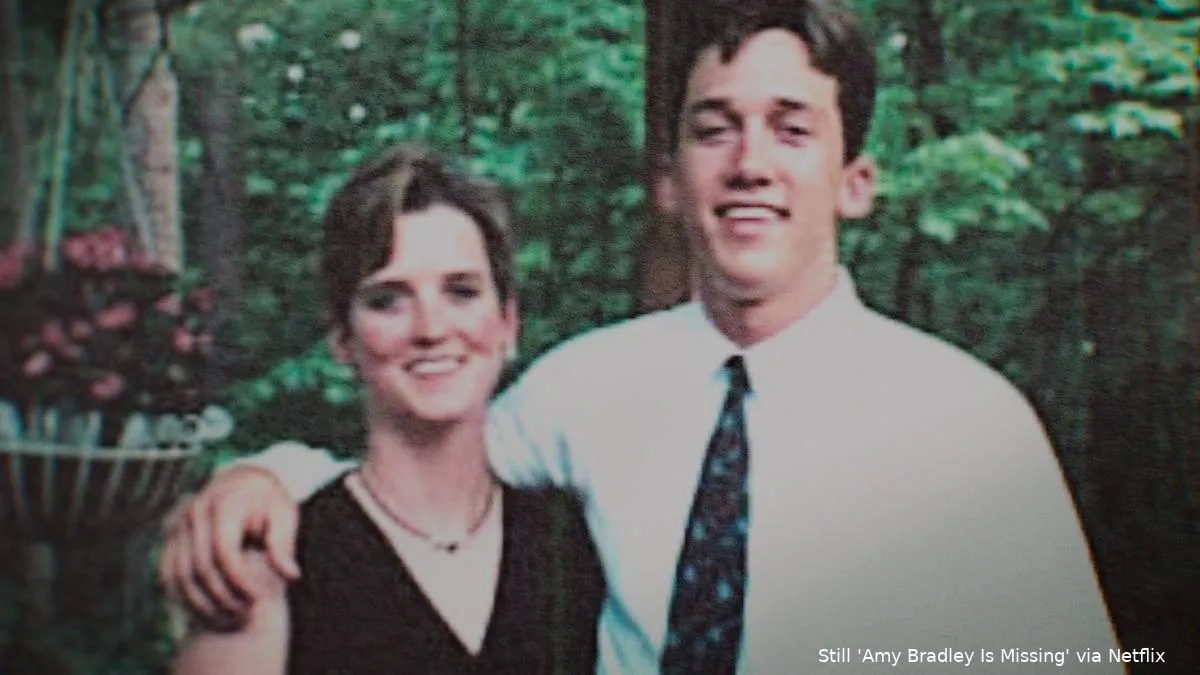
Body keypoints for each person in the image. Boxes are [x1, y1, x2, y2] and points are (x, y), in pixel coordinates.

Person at [162, 1, 1124, 672]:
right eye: (715, 128)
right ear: (669, 181)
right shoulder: (581, 391)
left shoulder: (974, 429)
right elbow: (421, 468)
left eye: (792, 129)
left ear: (855, 182)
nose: (750, 163)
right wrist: (265, 475)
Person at [168, 145, 604, 675]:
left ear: (508, 323)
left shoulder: (571, 539)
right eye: (388, 300)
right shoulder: (274, 557)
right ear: (342, 338)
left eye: (461, 292)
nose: (431, 329)